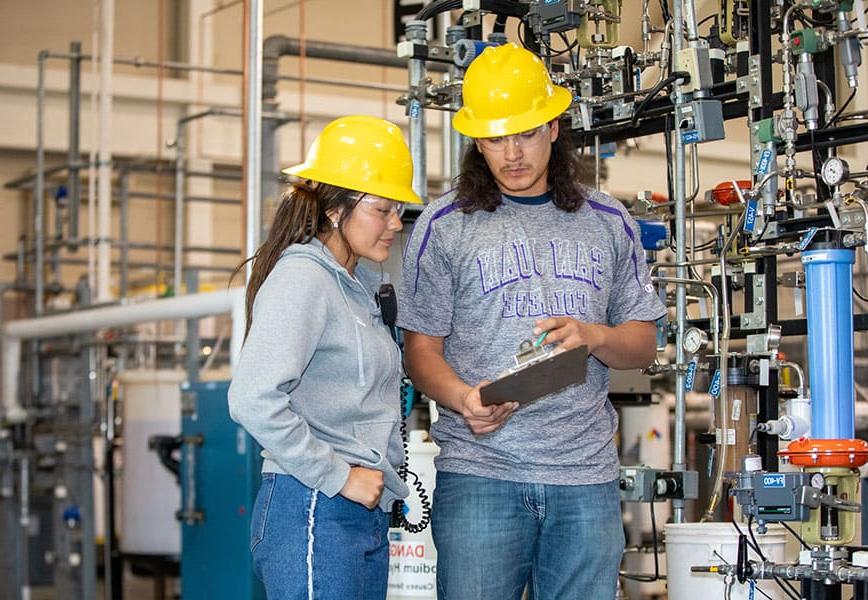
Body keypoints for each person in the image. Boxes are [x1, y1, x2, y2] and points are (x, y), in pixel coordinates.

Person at [397, 44, 667, 600]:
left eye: (525, 133)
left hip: (586, 480)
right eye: (496, 138)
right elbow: (419, 351)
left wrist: (592, 336)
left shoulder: (608, 220)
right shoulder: (445, 226)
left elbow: (642, 346)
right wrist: (462, 398)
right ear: (476, 140)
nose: (512, 153)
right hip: (480, 475)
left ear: (553, 128)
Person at [228, 115, 422, 600]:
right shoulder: (304, 279)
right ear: (337, 210)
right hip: (315, 504)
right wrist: (339, 477)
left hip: (359, 510)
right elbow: (252, 398)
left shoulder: (354, 286)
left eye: (398, 210)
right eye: (382, 209)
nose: (395, 224)